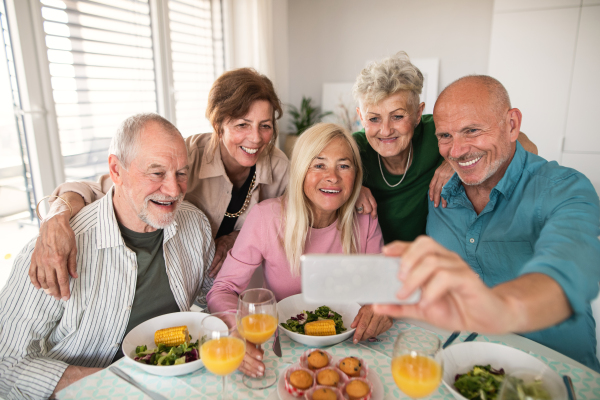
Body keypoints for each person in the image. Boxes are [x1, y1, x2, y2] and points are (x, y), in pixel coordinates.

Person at [374, 76, 600, 372]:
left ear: (512, 125)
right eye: (445, 136)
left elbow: (572, 270)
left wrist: (503, 309)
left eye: (472, 131)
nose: (456, 151)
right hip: (465, 368)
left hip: (556, 370)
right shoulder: (437, 193)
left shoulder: (564, 188)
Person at [0, 113, 215, 399]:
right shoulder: (52, 251)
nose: (174, 190)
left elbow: (213, 297)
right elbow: (6, 362)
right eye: (156, 173)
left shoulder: (195, 224)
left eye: (181, 173)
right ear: (116, 170)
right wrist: (120, 384)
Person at [28, 68, 289, 302]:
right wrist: (57, 217)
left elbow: (287, 222)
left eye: (265, 126)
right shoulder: (185, 157)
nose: (256, 138)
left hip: (238, 282)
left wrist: (236, 237)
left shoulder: (278, 166)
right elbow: (103, 188)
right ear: (219, 125)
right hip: (183, 275)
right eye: (242, 124)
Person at [207, 123, 386, 378]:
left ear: (356, 174)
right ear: (301, 170)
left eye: (344, 166)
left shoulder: (364, 216)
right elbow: (223, 289)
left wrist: (383, 305)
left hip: (352, 346)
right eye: (319, 164)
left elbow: (383, 283)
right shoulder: (266, 218)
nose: (332, 176)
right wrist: (236, 329)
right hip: (283, 353)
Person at [352, 52, 537, 243]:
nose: (386, 130)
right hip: (377, 257)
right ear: (361, 117)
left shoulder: (441, 133)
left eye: (398, 116)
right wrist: (351, 188)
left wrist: (455, 161)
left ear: (417, 114)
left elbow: (526, 145)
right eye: (373, 118)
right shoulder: (353, 148)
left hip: (433, 256)